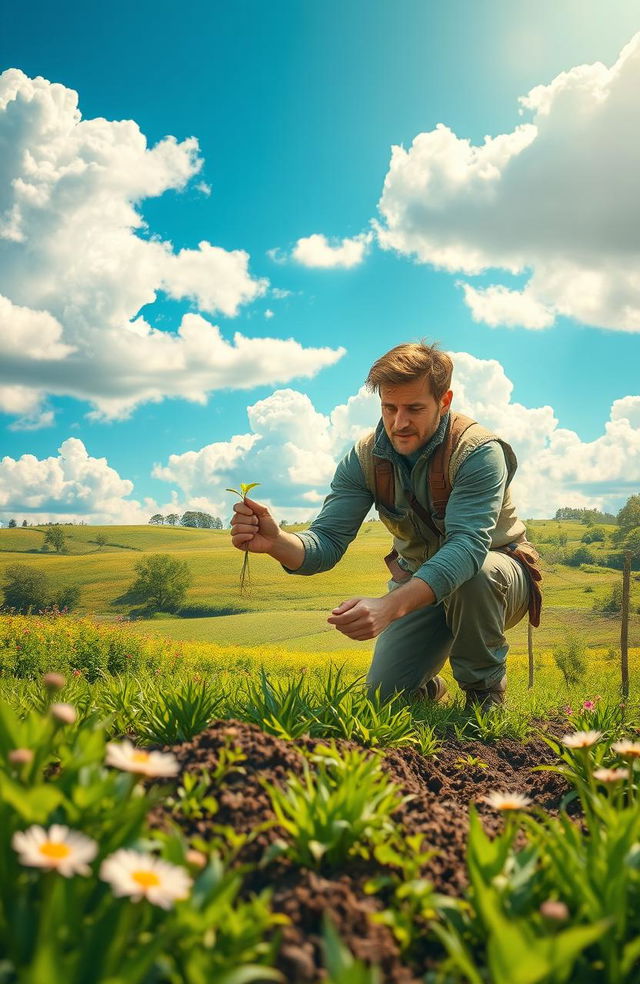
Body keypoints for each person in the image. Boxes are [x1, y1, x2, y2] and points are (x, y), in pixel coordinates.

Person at [230, 342, 541, 708]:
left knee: (477, 574)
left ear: (444, 401)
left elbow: (466, 549)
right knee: (384, 699)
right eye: (389, 408)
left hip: (494, 581)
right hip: (418, 586)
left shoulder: (477, 451)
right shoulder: (363, 458)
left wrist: (389, 606)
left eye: (414, 408)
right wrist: (278, 541)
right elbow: (327, 540)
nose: (399, 423)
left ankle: (484, 694)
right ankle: (427, 690)